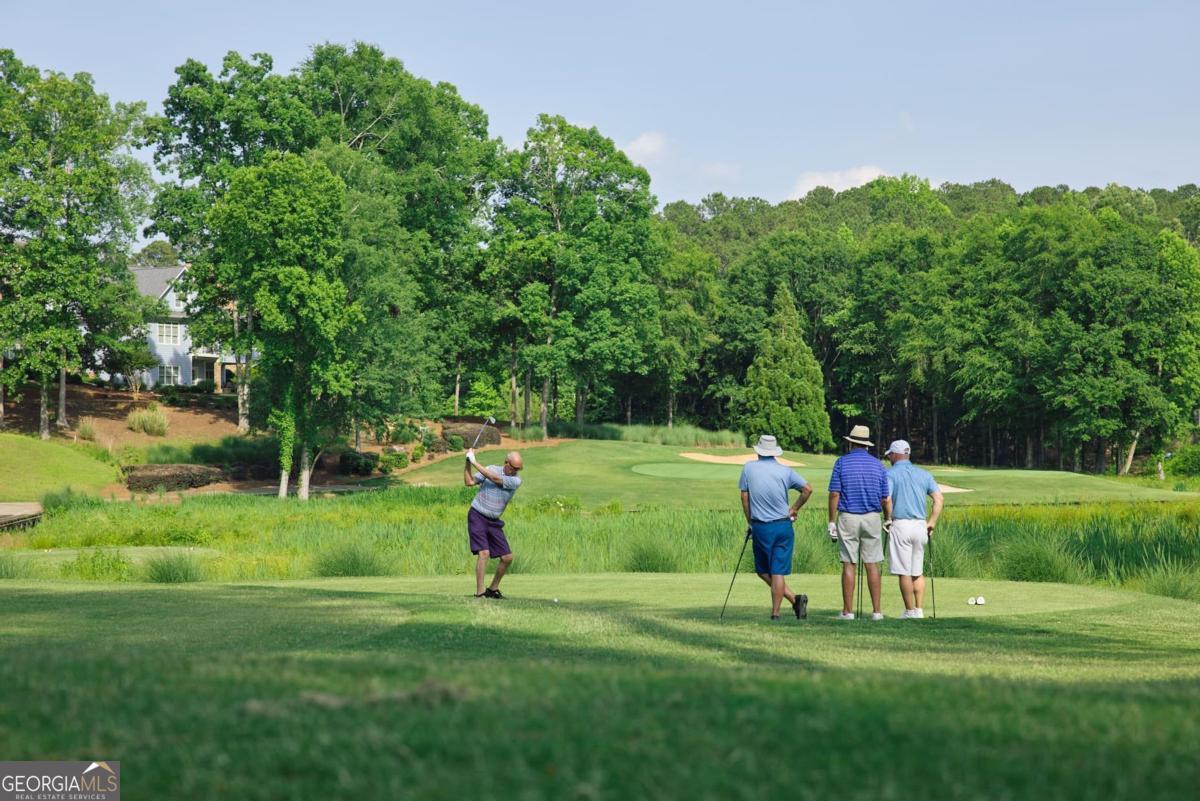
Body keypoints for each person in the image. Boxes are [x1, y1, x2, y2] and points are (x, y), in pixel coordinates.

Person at [738, 435, 813, 620]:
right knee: (775, 570)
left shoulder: (748, 468)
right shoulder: (785, 471)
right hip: (784, 526)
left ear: (759, 451)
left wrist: (750, 521)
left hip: (762, 527)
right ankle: (794, 601)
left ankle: (777, 613)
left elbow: (744, 497)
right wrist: (794, 508)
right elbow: (808, 489)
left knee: (765, 571)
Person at [827, 425, 892, 620]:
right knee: (872, 564)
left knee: (849, 563)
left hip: (848, 517)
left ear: (850, 442)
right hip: (872, 517)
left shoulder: (841, 463)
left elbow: (834, 494)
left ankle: (848, 612)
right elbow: (885, 498)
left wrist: (831, 521)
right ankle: (877, 612)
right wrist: (888, 518)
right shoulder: (878, 465)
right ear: (866, 445)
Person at [883, 440, 943, 619]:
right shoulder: (924, 474)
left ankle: (909, 611)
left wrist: (887, 519)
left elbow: (886, 499)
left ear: (895, 454)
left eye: (890, 455)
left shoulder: (891, 474)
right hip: (920, 526)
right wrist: (931, 522)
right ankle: (919, 610)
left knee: (904, 571)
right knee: (917, 571)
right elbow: (939, 499)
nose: (889, 458)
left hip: (901, 525)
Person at [463, 448, 524, 598]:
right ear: (506, 462)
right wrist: (467, 463)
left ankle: (492, 588)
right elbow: (469, 482)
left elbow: (495, 479)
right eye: (514, 467)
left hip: (494, 521)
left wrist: (474, 461)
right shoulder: (490, 468)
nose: (516, 470)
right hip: (477, 515)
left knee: (507, 557)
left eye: (519, 468)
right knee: (484, 553)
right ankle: (480, 592)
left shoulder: (516, 480)